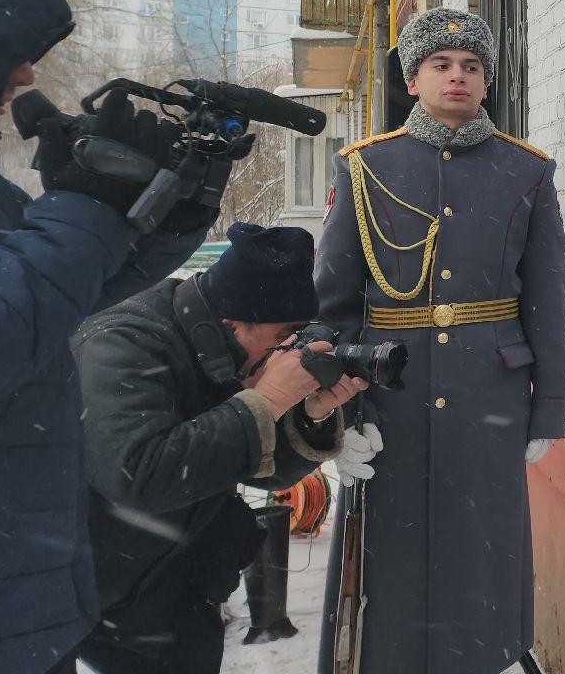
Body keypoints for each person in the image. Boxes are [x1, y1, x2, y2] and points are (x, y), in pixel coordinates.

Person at [0, 0, 219, 674]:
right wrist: (85, 205)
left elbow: (65, 296)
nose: (26, 72)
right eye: (10, 48)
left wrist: (177, 196)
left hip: (23, 602)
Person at [314, 7, 565, 674]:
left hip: (491, 392)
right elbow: (334, 307)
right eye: (441, 65)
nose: (457, 76)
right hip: (388, 396)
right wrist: (334, 414)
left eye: (471, 66)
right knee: (389, 561)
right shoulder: (365, 168)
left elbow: (546, 300)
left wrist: (550, 406)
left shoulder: (528, 172)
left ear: (486, 82)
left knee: (485, 552)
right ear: (414, 78)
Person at [73, 223, 366, 674]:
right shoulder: (122, 341)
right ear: (233, 324)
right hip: (102, 589)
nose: (286, 354)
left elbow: (262, 472)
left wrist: (309, 414)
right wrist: (266, 402)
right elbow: (137, 475)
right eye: (280, 338)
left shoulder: (221, 339)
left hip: (181, 584)